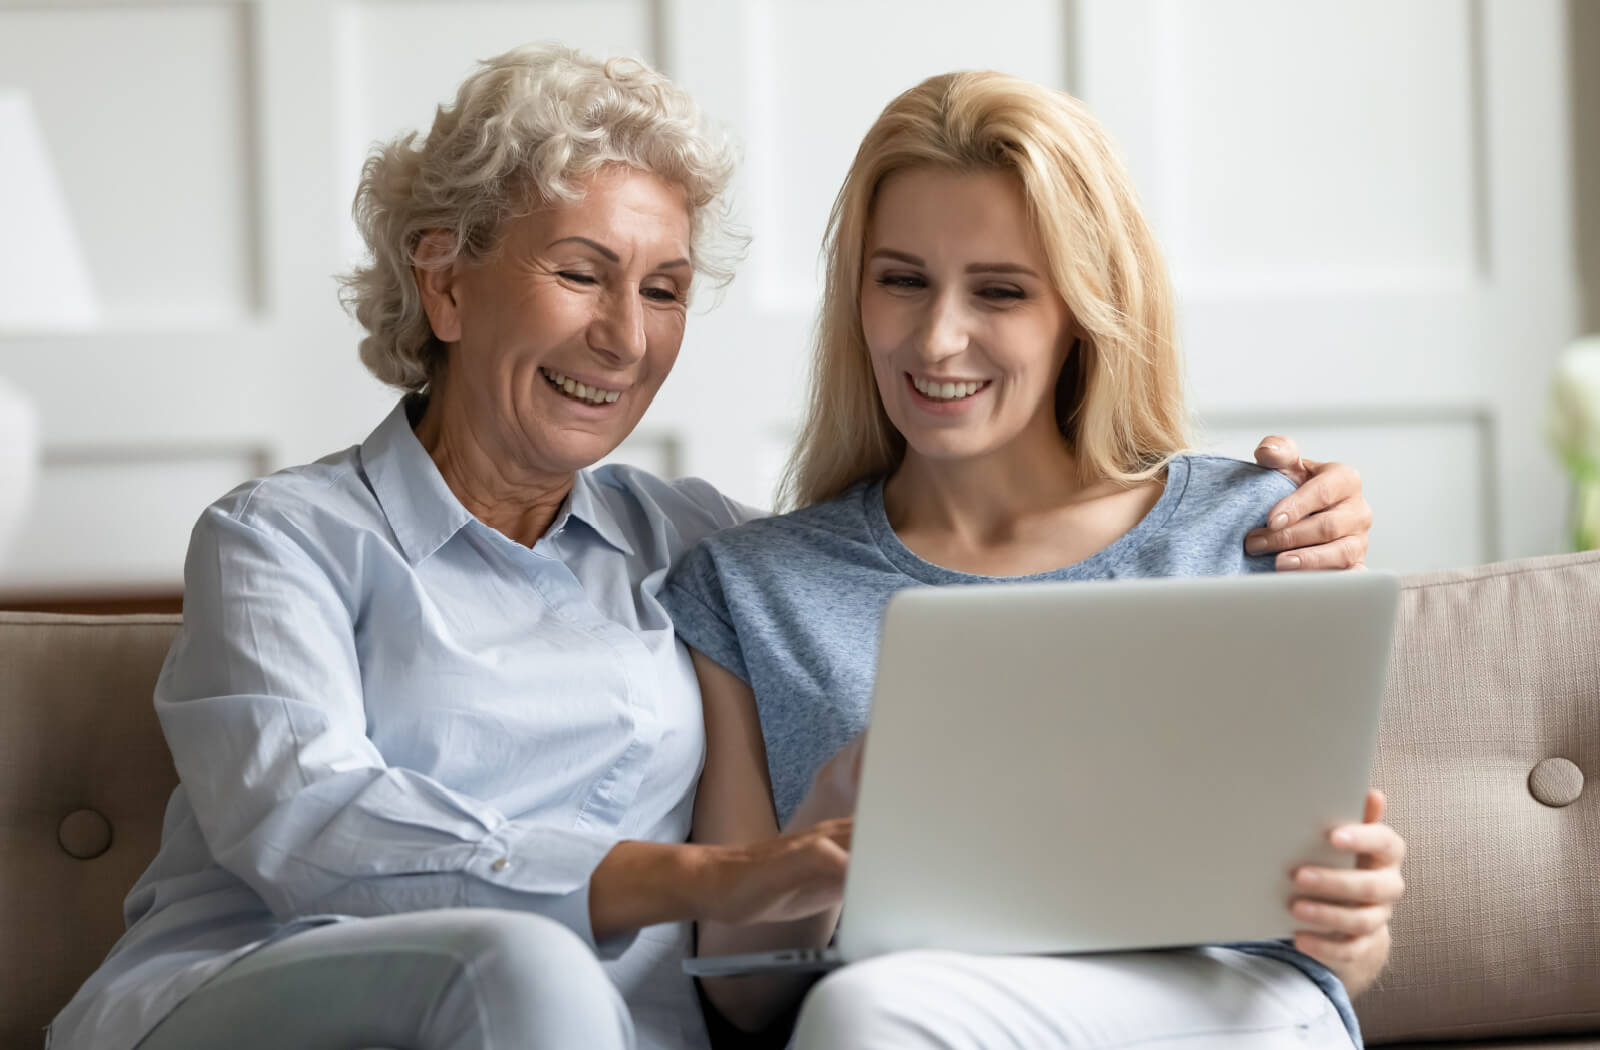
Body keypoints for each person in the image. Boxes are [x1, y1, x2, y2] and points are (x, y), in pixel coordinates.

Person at [48, 47, 1372, 1050]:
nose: (625, 336)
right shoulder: (283, 541)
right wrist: (715, 874)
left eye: (665, 288)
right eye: (581, 271)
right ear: (446, 284)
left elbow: (885, 567)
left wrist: (1292, 510)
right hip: (273, 998)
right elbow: (308, 825)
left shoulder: (693, 548)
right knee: (526, 963)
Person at [660, 71, 1405, 1050]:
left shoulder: (1253, 528)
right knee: (862, 1011)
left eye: (1000, 291)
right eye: (901, 280)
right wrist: (838, 813)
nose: (937, 338)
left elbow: (1339, 956)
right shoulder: (750, 589)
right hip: (905, 1020)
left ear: (1082, 310)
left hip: (1231, 1010)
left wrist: (1356, 926)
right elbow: (744, 999)